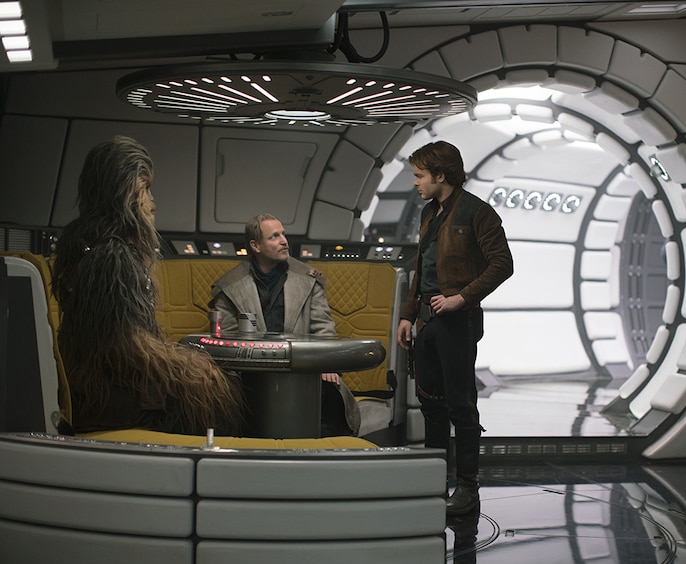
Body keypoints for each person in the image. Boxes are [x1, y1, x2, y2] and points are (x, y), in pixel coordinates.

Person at [52, 135, 245, 436]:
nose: (153, 203)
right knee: (219, 395)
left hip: (104, 384)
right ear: (124, 192)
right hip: (113, 393)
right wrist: (192, 369)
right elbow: (121, 345)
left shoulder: (93, 246)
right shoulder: (112, 257)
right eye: (146, 189)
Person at [396, 141, 514, 515]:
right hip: (429, 321)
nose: (416, 183)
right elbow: (421, 267)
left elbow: (502, 264)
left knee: (461, 407)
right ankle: (434, 483)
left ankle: (467, 489)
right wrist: (407, 314)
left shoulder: (478, 212)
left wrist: (461, 298)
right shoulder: (429, 213)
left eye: (420, 175)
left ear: (440, 175)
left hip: (457, 320)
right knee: (431, 405)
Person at [210, 213, 360, 436]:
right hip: (251, 375)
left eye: (283, 234)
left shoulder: (308, 280)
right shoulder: (231, 287)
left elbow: (323, 329)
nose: (284, 241)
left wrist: (327, 365)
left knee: (330, 395)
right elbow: (226, 342)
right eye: (274, 236)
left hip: (302, 372)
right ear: (255, 245)